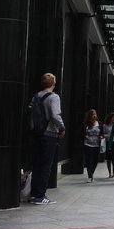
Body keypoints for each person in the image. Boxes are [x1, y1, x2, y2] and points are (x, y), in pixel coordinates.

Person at [29, 73, 66, 205]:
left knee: (37, 164)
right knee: (46, 166)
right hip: (49, 134)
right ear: (53, 84)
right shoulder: (54, 97)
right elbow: (55, 115)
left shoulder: (36, 96)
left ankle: (34, 194)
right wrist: (62, 128)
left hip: (37, 134)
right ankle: (40, 196)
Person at [82, 109, 101, 183]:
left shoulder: (99, 123)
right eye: (93, 114)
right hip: (88, 144)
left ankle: (91, 173)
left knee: (95, 161)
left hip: (97, 145)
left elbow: (102, 133)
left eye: (95, 114)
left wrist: (101, 136)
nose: (94, 116)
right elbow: (81, 133)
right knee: (89, 161)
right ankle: (90, 176)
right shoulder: (86, 124)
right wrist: (85, 136)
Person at [102, 113, 114, 178]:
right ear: (110, 118)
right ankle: (109, 172)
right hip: (108, 142)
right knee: (109, 159)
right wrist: (108, 136)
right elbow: (103, 134)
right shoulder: (105, 126)